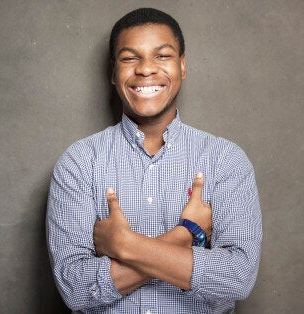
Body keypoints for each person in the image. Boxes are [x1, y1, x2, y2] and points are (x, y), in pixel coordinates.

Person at [46, 7, 262, 313]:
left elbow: (237, 278)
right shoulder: (79, 163)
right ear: (113, 72)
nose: (146, 69)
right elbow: (75, 289)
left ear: (182, 66)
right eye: (130, 57)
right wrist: (185, 235)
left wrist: (124, 246)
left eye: (162, 55)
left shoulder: (225, 160)